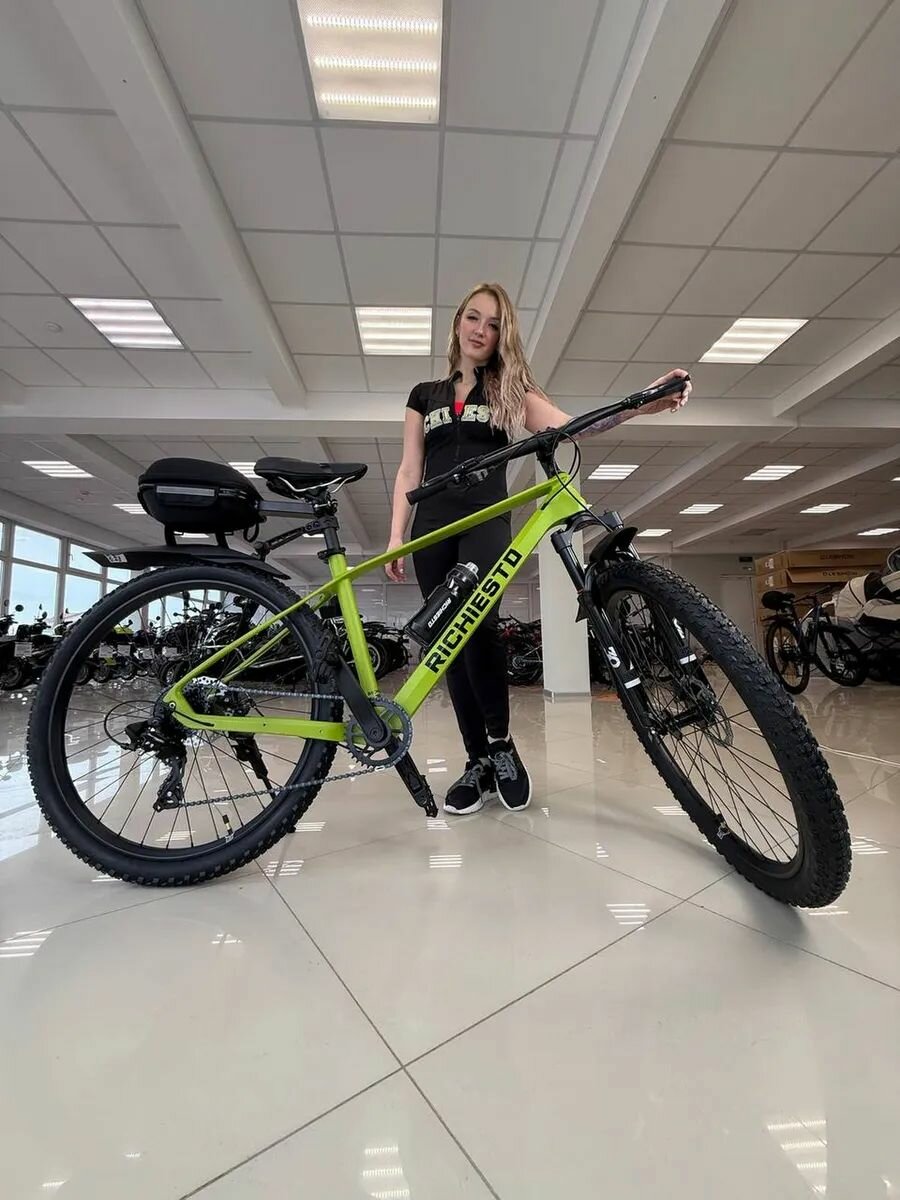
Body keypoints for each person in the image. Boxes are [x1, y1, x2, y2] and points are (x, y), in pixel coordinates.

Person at [385, 282, 691, 816]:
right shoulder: (422, 395)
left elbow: (571, 428)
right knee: (445, 646)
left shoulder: (505, 389)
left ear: (502, 336)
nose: (481, 330)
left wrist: (641, 405)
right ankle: (477, 761)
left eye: (494, 324)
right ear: (458, 322)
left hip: (486, 521)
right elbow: (410, 468)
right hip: (430, 527)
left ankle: (501, 745)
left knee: (478, 628)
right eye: (474, 318)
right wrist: (396, 535)